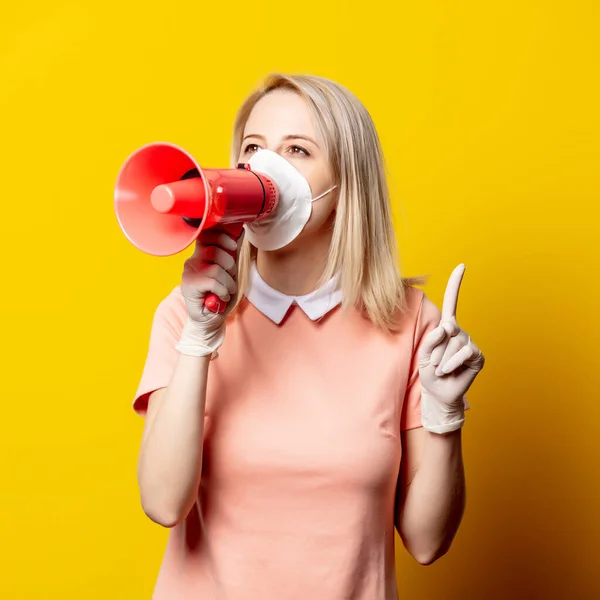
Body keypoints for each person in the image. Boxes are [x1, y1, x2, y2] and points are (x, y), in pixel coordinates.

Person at [132, 73, 485, 599]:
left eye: (298, 149)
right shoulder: (186, 313)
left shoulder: (410, 323)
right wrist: (200, 340)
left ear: (347, 185)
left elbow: (428, 541)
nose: (265, 166)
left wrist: (444, 418)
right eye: (253, 147)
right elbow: (162, 502)